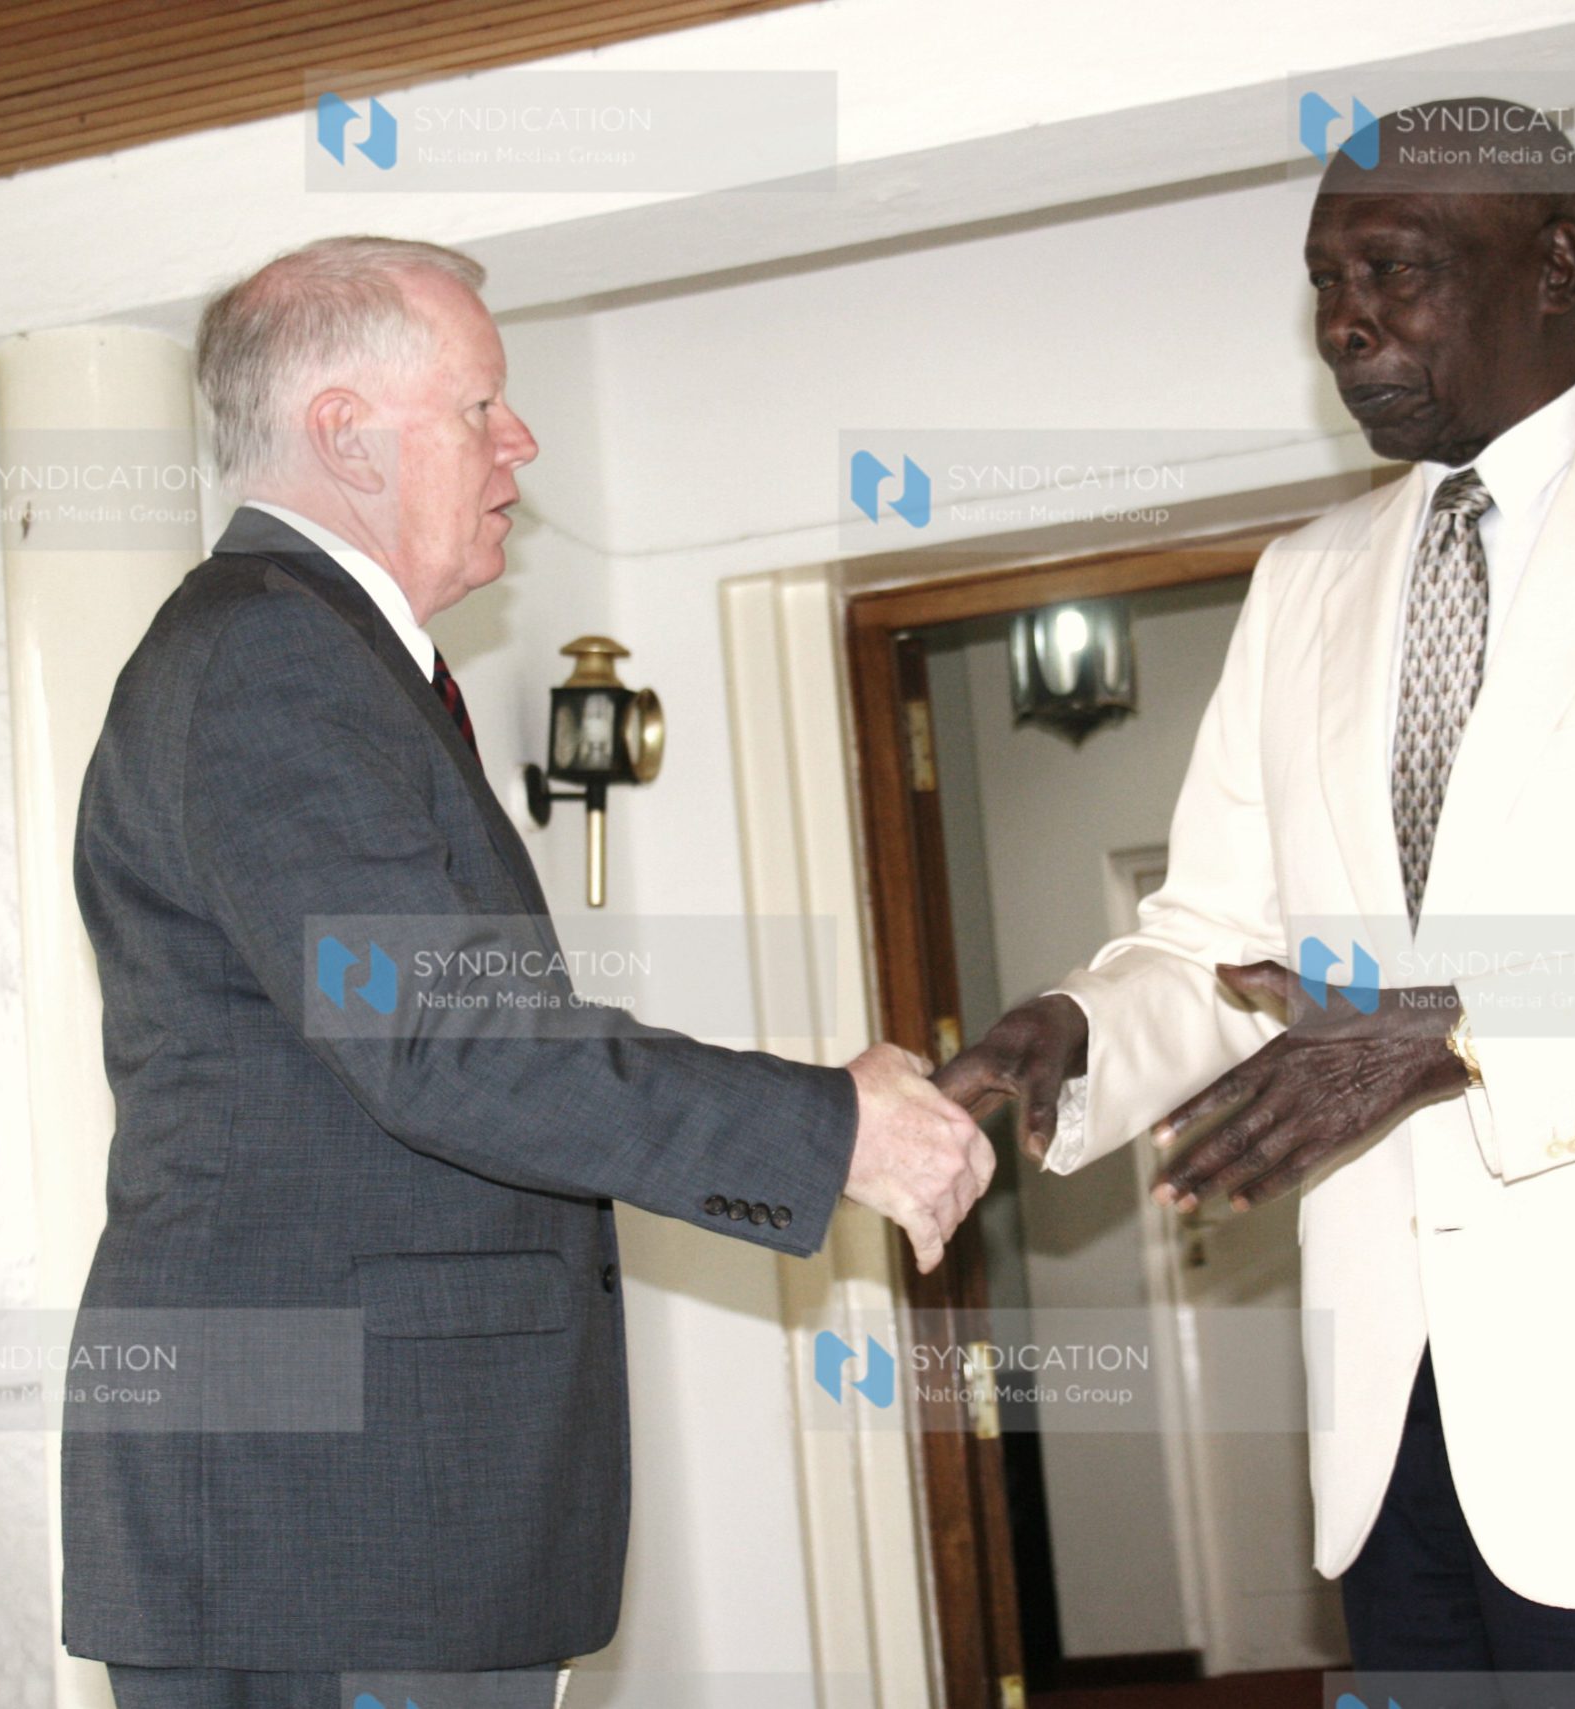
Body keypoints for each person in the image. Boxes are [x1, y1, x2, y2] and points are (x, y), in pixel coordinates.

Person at [938, 100, 1575, 1705]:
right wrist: (1077, 1029)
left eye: (1392, 269)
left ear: (1555, 263)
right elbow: (1218, 942)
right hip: (1400, 1445)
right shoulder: (1305, 580)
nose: (1347, 322)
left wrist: (1461, 1034)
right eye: (1326, 281)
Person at [63, 235, 992, 1709]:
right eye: (480, 405)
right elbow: (445, 1042)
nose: (522, 442)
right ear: (345, 435)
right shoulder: (268, 661)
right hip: (329, 1516)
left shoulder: (317, 659)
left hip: (355, 1510)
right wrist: (833, 1129)